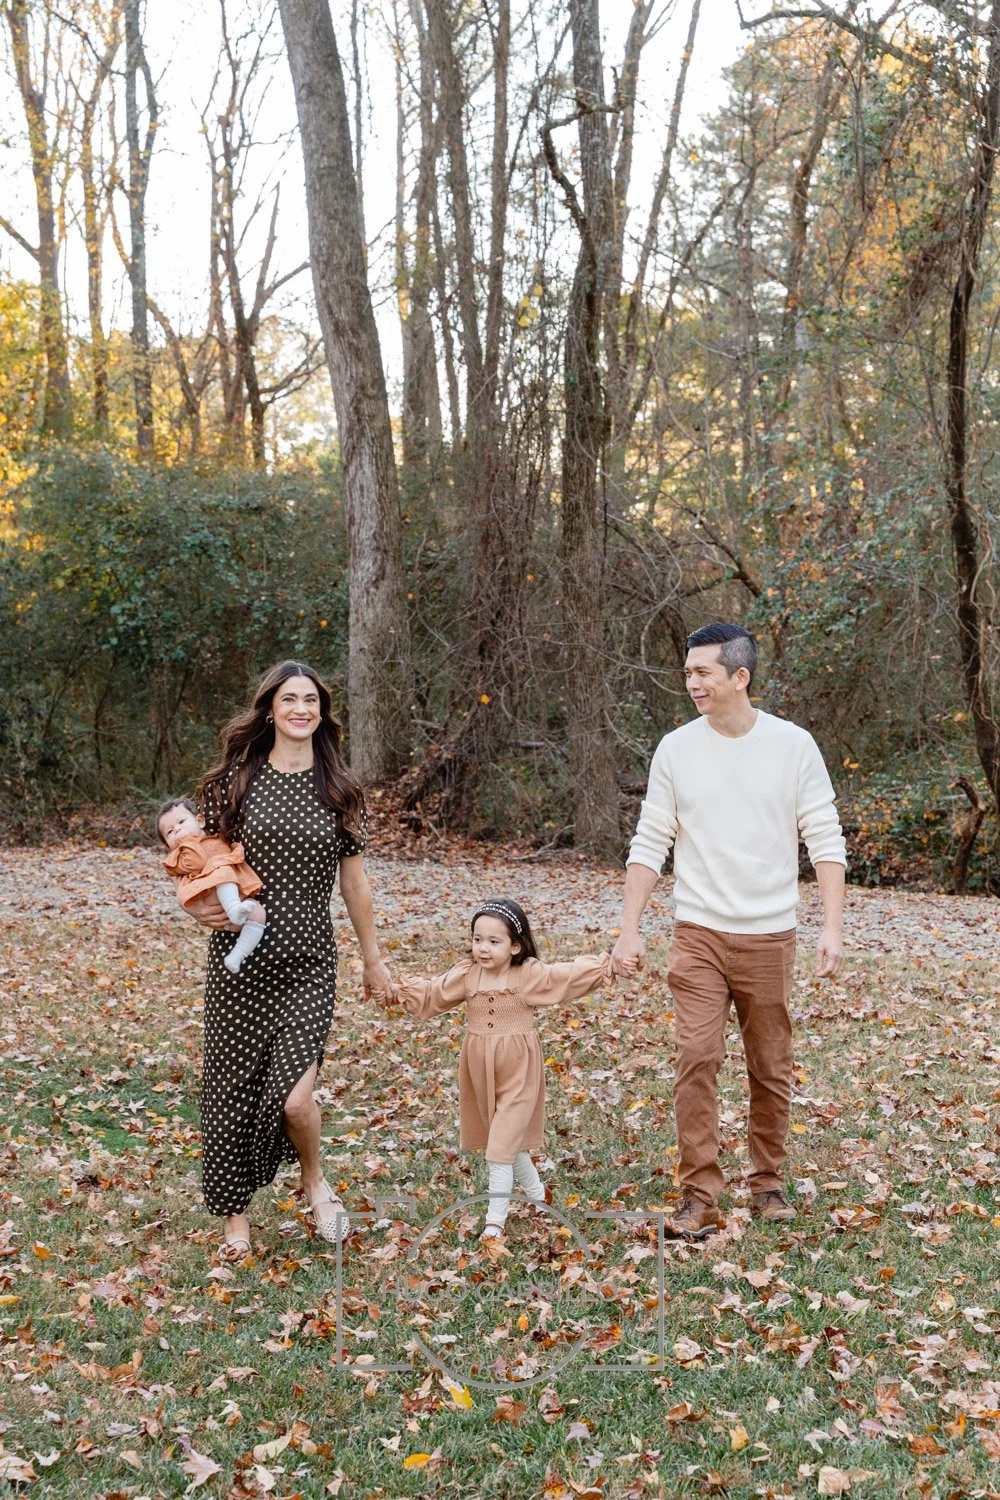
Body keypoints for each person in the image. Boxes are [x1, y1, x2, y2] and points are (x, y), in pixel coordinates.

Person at [612, 623, 846, 1239]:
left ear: (738, 677)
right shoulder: (676, 749)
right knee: (697, 1056)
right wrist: (629, 927)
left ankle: (766, 1181)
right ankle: (699, 1194)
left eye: (702, 673)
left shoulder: (793, 746)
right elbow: (650, 840)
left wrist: (832, 926)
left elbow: (824, 835)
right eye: (688, 672)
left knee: (770, 1064)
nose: (690, 683)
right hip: (698, 934)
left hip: (770, 936)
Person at [186, 660, 393, 1260]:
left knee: (295, 1098)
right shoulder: (233, 781)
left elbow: (355, 885)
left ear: (321, 712)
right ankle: (234, 1219)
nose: (301, 708)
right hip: (240, 963)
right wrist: (199, 909)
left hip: (308, 961)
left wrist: (372, 961)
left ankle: (312, 1179)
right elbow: (202, 863)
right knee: (230, 1088)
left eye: (311, 700)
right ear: (270, 709)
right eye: (289, 699)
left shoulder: (339, 789)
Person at [390, 898, 613, 1241]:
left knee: (499, 1149)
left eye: (494, 942)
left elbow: (565, 977)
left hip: (519, 1068)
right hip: (480, 1068)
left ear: (515, 946)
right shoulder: (467, 975)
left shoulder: (527, 976)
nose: (483, 948)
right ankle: (539, 1196)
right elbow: (433, 993)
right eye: (477, 939)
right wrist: (393, 990)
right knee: (506, 1140)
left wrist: (608, 965)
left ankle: (494, 1222)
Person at [157, 797, 266, 975]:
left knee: (258, 913)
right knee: (221, 870)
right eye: (169, 832)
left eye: (181, 822)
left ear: (200, 821)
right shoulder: (179, 856)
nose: (177, 829)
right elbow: (197, 862)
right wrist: (187, 841)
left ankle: (237, 954)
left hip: (231, 897)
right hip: (208, 893)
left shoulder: (213, 839)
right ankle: (233, 909)